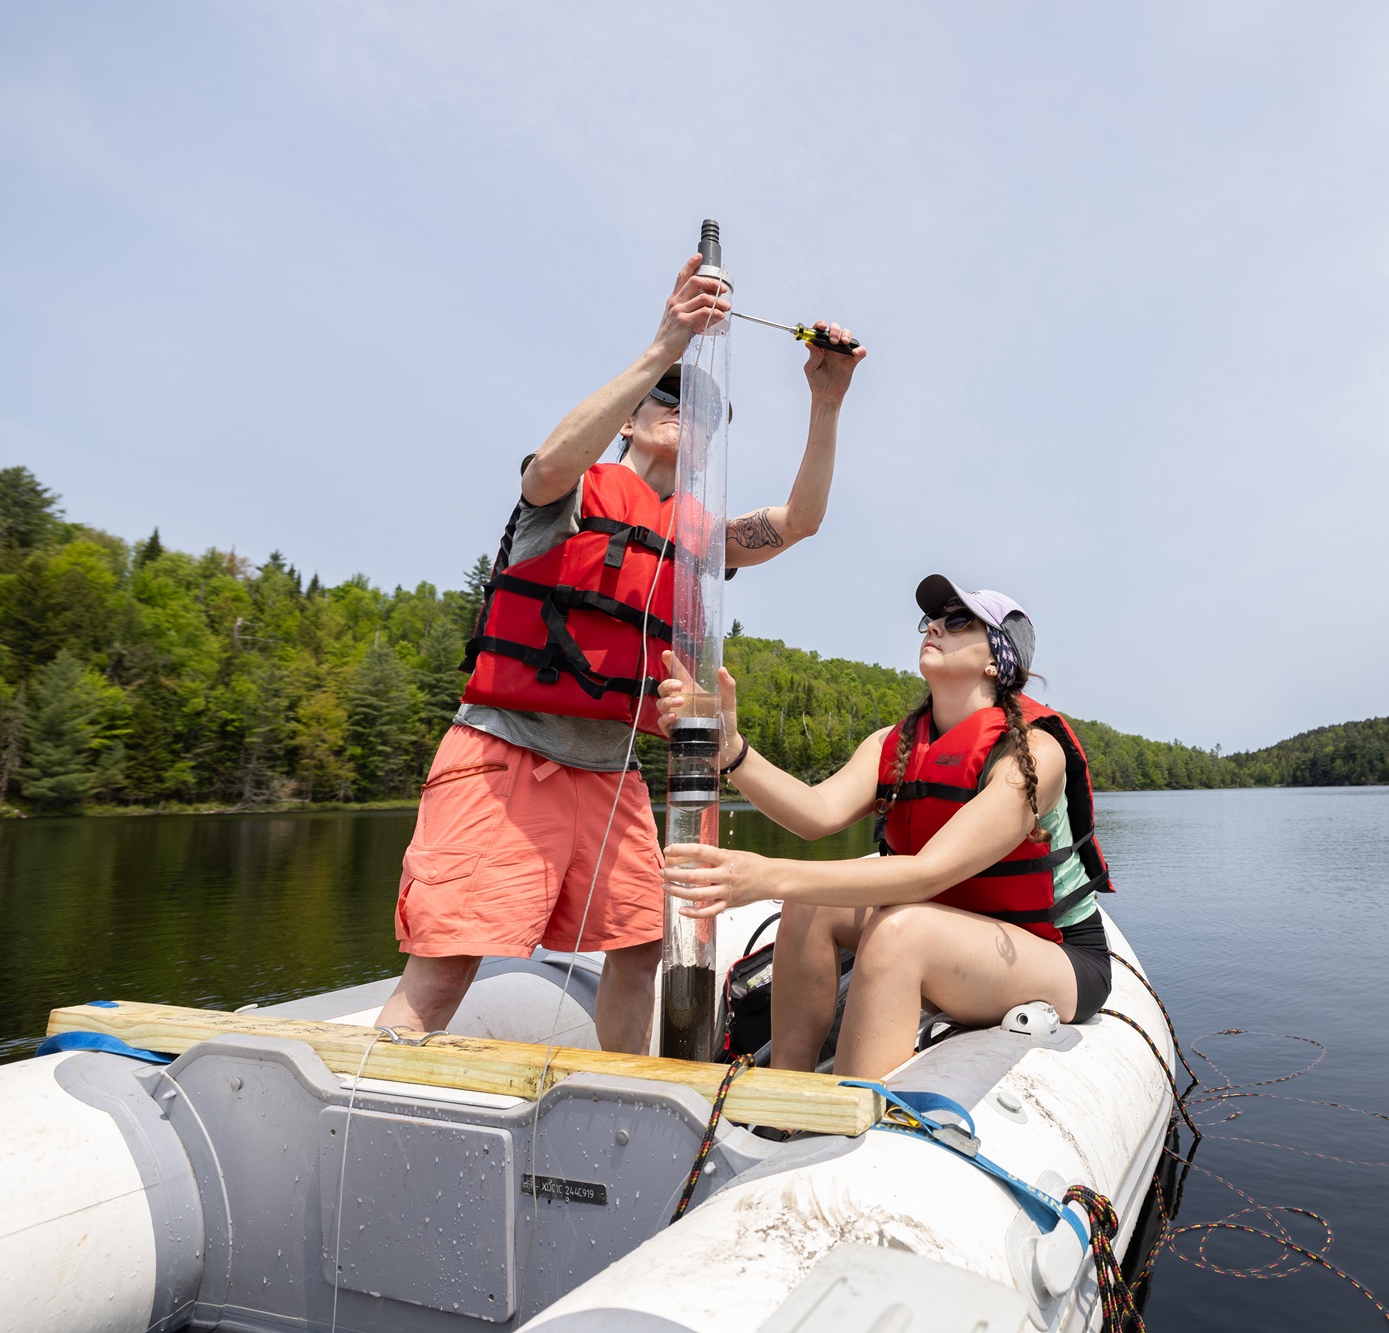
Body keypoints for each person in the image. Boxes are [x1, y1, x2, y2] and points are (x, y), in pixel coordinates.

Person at [374, 253, 865, 1053]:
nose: (683, 412)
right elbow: (549, 462)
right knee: (443, 968)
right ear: (631, 417)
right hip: (505, 757)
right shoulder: (568, 495)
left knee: (642, 951)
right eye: (665, 401)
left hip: (612, 776)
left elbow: (799, 519)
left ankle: (626, 1110)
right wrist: (666, 346)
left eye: (701, 414)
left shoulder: (701, 538)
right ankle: (379, 1101)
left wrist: (827, 400)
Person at [658, 575, 1114, 1079]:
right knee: (811, 904)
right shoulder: (893, 745)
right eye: (931, 621)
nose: (935, 628)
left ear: (997, 660)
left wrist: (764, 876)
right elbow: (815, 814)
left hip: (1055, 952)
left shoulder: (1033, 755)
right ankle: (785, 1097)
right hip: (946, 925)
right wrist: (733, 752)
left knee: (900, 933)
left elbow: (928, 874)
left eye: (958, 621)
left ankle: (848, 1117)